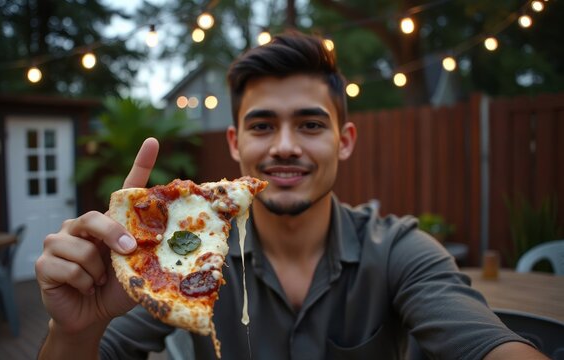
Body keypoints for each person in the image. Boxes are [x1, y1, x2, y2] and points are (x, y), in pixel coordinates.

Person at [37, 32, 546, 359]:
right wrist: (79, 329)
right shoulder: (178, 263)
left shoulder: (397, 251)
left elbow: (490, 346)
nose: (284, 145)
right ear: (235, 143)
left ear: (343, 142)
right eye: (262, 126)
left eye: (309, 123)